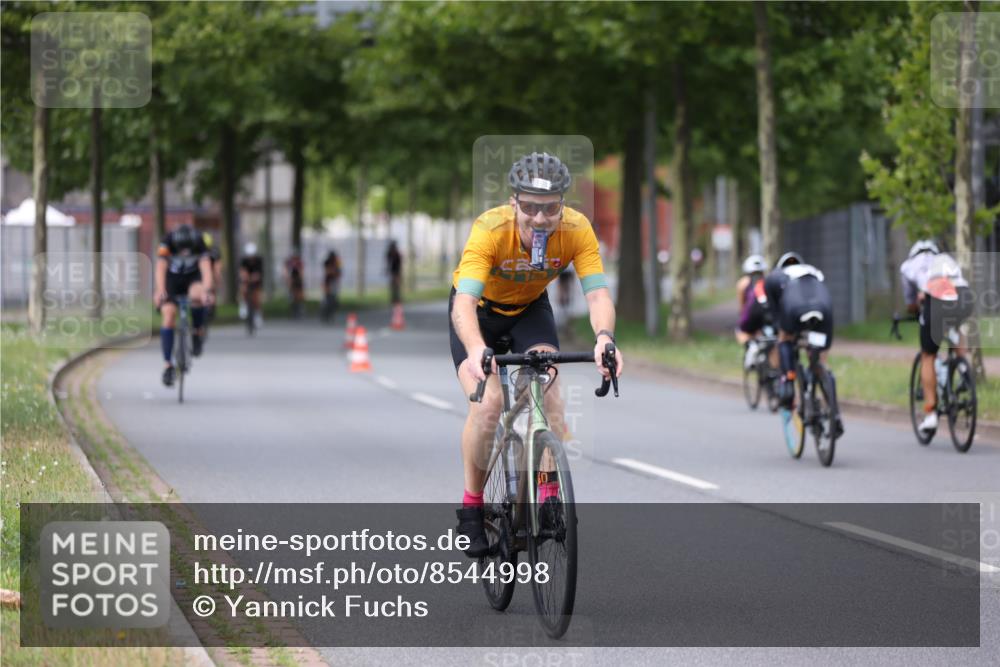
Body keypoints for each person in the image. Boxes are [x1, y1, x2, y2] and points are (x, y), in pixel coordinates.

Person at [450, 151, 623, 557]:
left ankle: (545, 492)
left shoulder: (578, 229)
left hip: (530, 310)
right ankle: (472, 509)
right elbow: (463, 304)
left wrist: (604, 337)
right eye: (529, 207)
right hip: (479, 315)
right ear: (514, 202)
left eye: (550, 209)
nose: (540, 218)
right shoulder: (490, 230)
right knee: (490, 402)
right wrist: (477, 350)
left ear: (563, 204)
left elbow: (596, 292)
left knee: (548, 388)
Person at [764, 251, 843, 437]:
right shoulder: (813, 272)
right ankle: (834, 413)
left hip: (794, 308)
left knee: (784, 338)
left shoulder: (774, 277)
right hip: (823, 309)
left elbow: (775, 314)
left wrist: (782, 332)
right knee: (819, 358)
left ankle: (788, 382)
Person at [899, 240, 973, 434]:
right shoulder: (946, 259)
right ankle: (964, 369)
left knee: (928, 356)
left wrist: (915, 309)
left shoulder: (908, 266)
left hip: (936, 301)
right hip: (963, 298)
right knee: (956, 328)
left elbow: (911, 302)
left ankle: (930, 412)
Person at [154, 224, 214, 387]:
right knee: (168, 314)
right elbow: (160, 267)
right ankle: (168, 365)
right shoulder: (167, 241)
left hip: (192, 277)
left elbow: (206, 268)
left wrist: (207, 291)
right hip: (172, 279)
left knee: (198, 295)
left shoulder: (199, 241)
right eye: (181, 251)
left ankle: (197, 331)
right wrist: (160, 290)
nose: (184, 254)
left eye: (188, 251)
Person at [735, 254, 770, 368]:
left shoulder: (742, 283)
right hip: (768, 315)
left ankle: (751, 346)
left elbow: (742, 306)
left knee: (740, 331)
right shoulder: (768, 282)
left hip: (751, 314)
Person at [239, 242, 264, 329]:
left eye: (252, 256)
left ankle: (258, 315)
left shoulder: (259, 260)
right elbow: (242, 271)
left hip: (256, 280)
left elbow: (258, 274)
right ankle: (243, 304)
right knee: (243, 288)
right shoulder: (243, 261)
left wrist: (254, 278)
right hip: (246, 279)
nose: (250, 258)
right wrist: (245, 277)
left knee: (257, 298)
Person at [202, 232, 222, 327]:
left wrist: (217, 278)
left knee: (211, 289)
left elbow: (217, 267)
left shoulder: (214, 252)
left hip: (210, 272)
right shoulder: (213, 251)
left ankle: (210, 308)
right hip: (202, 273)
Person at [322, 248, 342, 323]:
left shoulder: (337, 262)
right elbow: (328, 272)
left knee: (334, 298)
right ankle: (325, 312)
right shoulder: (327, 262)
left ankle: (331, 313)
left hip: (334, 282)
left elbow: (339, 273)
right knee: (326, 297)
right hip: (328, 282)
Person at [284, 248, 305, 318]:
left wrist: (300, 279)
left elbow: (301, 272)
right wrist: (288, 280)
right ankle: (292, 308)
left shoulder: (299, 262)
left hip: (298, 280)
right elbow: (286, 272)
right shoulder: (289, 262)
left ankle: (300, 307)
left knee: (300, 295)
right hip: (291, 279)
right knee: (292, 294)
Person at [386, 241, 403, 305]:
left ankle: (397, 298)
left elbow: (399, 264)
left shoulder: (397, 254)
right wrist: (387, 270)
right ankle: (393, 298)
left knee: (397, 285)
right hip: (392, 271)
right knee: (392, 285)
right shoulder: (389, 253)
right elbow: (388, 262)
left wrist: (399, 273)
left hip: (397, 271)